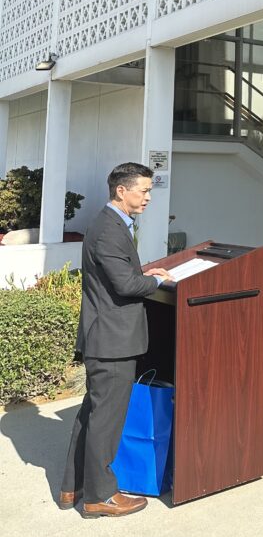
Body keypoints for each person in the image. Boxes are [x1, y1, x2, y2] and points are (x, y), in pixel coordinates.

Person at [60, 162, 173, 517]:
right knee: (105, 419)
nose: (148, 198)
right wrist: (156, 281)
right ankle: (99, 496)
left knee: (93, 413)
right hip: (111, 340)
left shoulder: (111, 224)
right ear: (121, 191)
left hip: (107, 335)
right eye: (143, 190)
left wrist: (144, 274)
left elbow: (120, 276)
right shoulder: (109, 228)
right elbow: (125, 286)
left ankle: (72, 486)